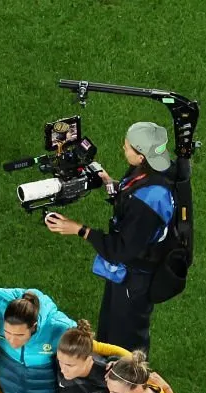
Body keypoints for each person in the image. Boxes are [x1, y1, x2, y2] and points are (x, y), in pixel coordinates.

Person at [42, 121, 181, 354]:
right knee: (108, 335)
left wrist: (79, 229)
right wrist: (110, 184)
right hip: (128, 274)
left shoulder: (149, 201)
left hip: (134, 280)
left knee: (124, 346)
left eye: (127, 147)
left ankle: (127, 384)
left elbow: (120, 251)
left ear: (141, 157)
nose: (123, 149)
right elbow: (133, 201)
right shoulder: (159, 170)